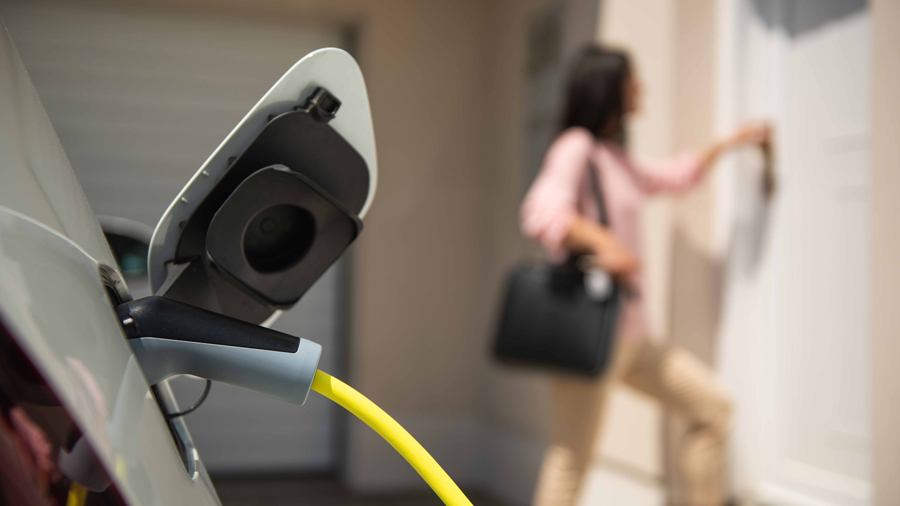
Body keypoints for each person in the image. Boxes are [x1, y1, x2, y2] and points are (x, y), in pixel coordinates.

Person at [520, 45, 770, 506]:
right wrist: (602, 241)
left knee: (714, 411)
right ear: (610, 89)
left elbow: (676, 176)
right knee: (571, 462)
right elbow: (540, 211)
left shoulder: (617, 160)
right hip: (590, 334)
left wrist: (732, 141)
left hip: (635, 338)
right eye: (633, 82)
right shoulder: (577, 146)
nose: (642, 90)